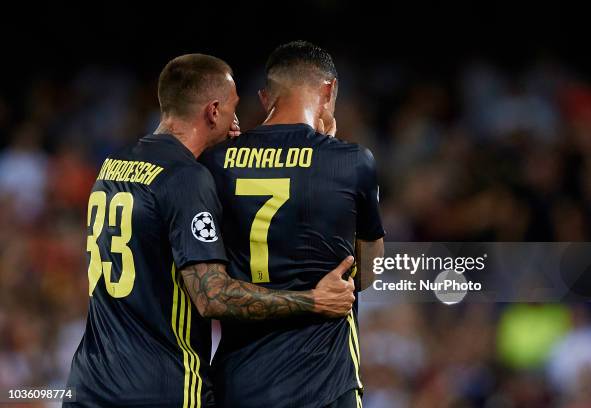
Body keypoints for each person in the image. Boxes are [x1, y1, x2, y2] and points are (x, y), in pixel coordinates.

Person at [63, 54, 356, 408]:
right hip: (161, 388)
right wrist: (312, 300)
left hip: (89, 383)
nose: (237, 121)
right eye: (232, 109)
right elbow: (212, 296)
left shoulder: (114, 165)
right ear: (213, 111)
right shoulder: (187, 179)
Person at [201, 41, 385, 408]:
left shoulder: (215, 163)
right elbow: (366, 276)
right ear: (329, 89)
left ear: (265, 97)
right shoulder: (352, 162)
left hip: (240, 382)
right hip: (326, 384)